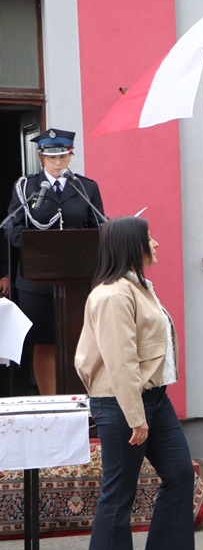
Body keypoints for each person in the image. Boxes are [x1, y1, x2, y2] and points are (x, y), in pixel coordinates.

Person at [74, 217, 197, 550]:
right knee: (118, 493)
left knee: (180, 475)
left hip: (154, 398)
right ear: (131, 246)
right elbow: (120, 362)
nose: (156, 244)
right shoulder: (112, 296)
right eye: (149, 239)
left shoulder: (138, 286)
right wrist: (135, 416)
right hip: (123, 403)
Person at [8, 128, 105, 395]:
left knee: (79, 339)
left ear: (71, 156)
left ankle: (79, 397)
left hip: (78, 279)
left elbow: (98, 227)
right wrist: (40, 249)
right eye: (52, 158)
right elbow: (13, 229)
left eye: (63, 156)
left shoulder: (85, 187)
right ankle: (49, 400)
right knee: (44, 341)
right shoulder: (26, 188)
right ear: (42, 158)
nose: (58, 163)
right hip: (36, 280)